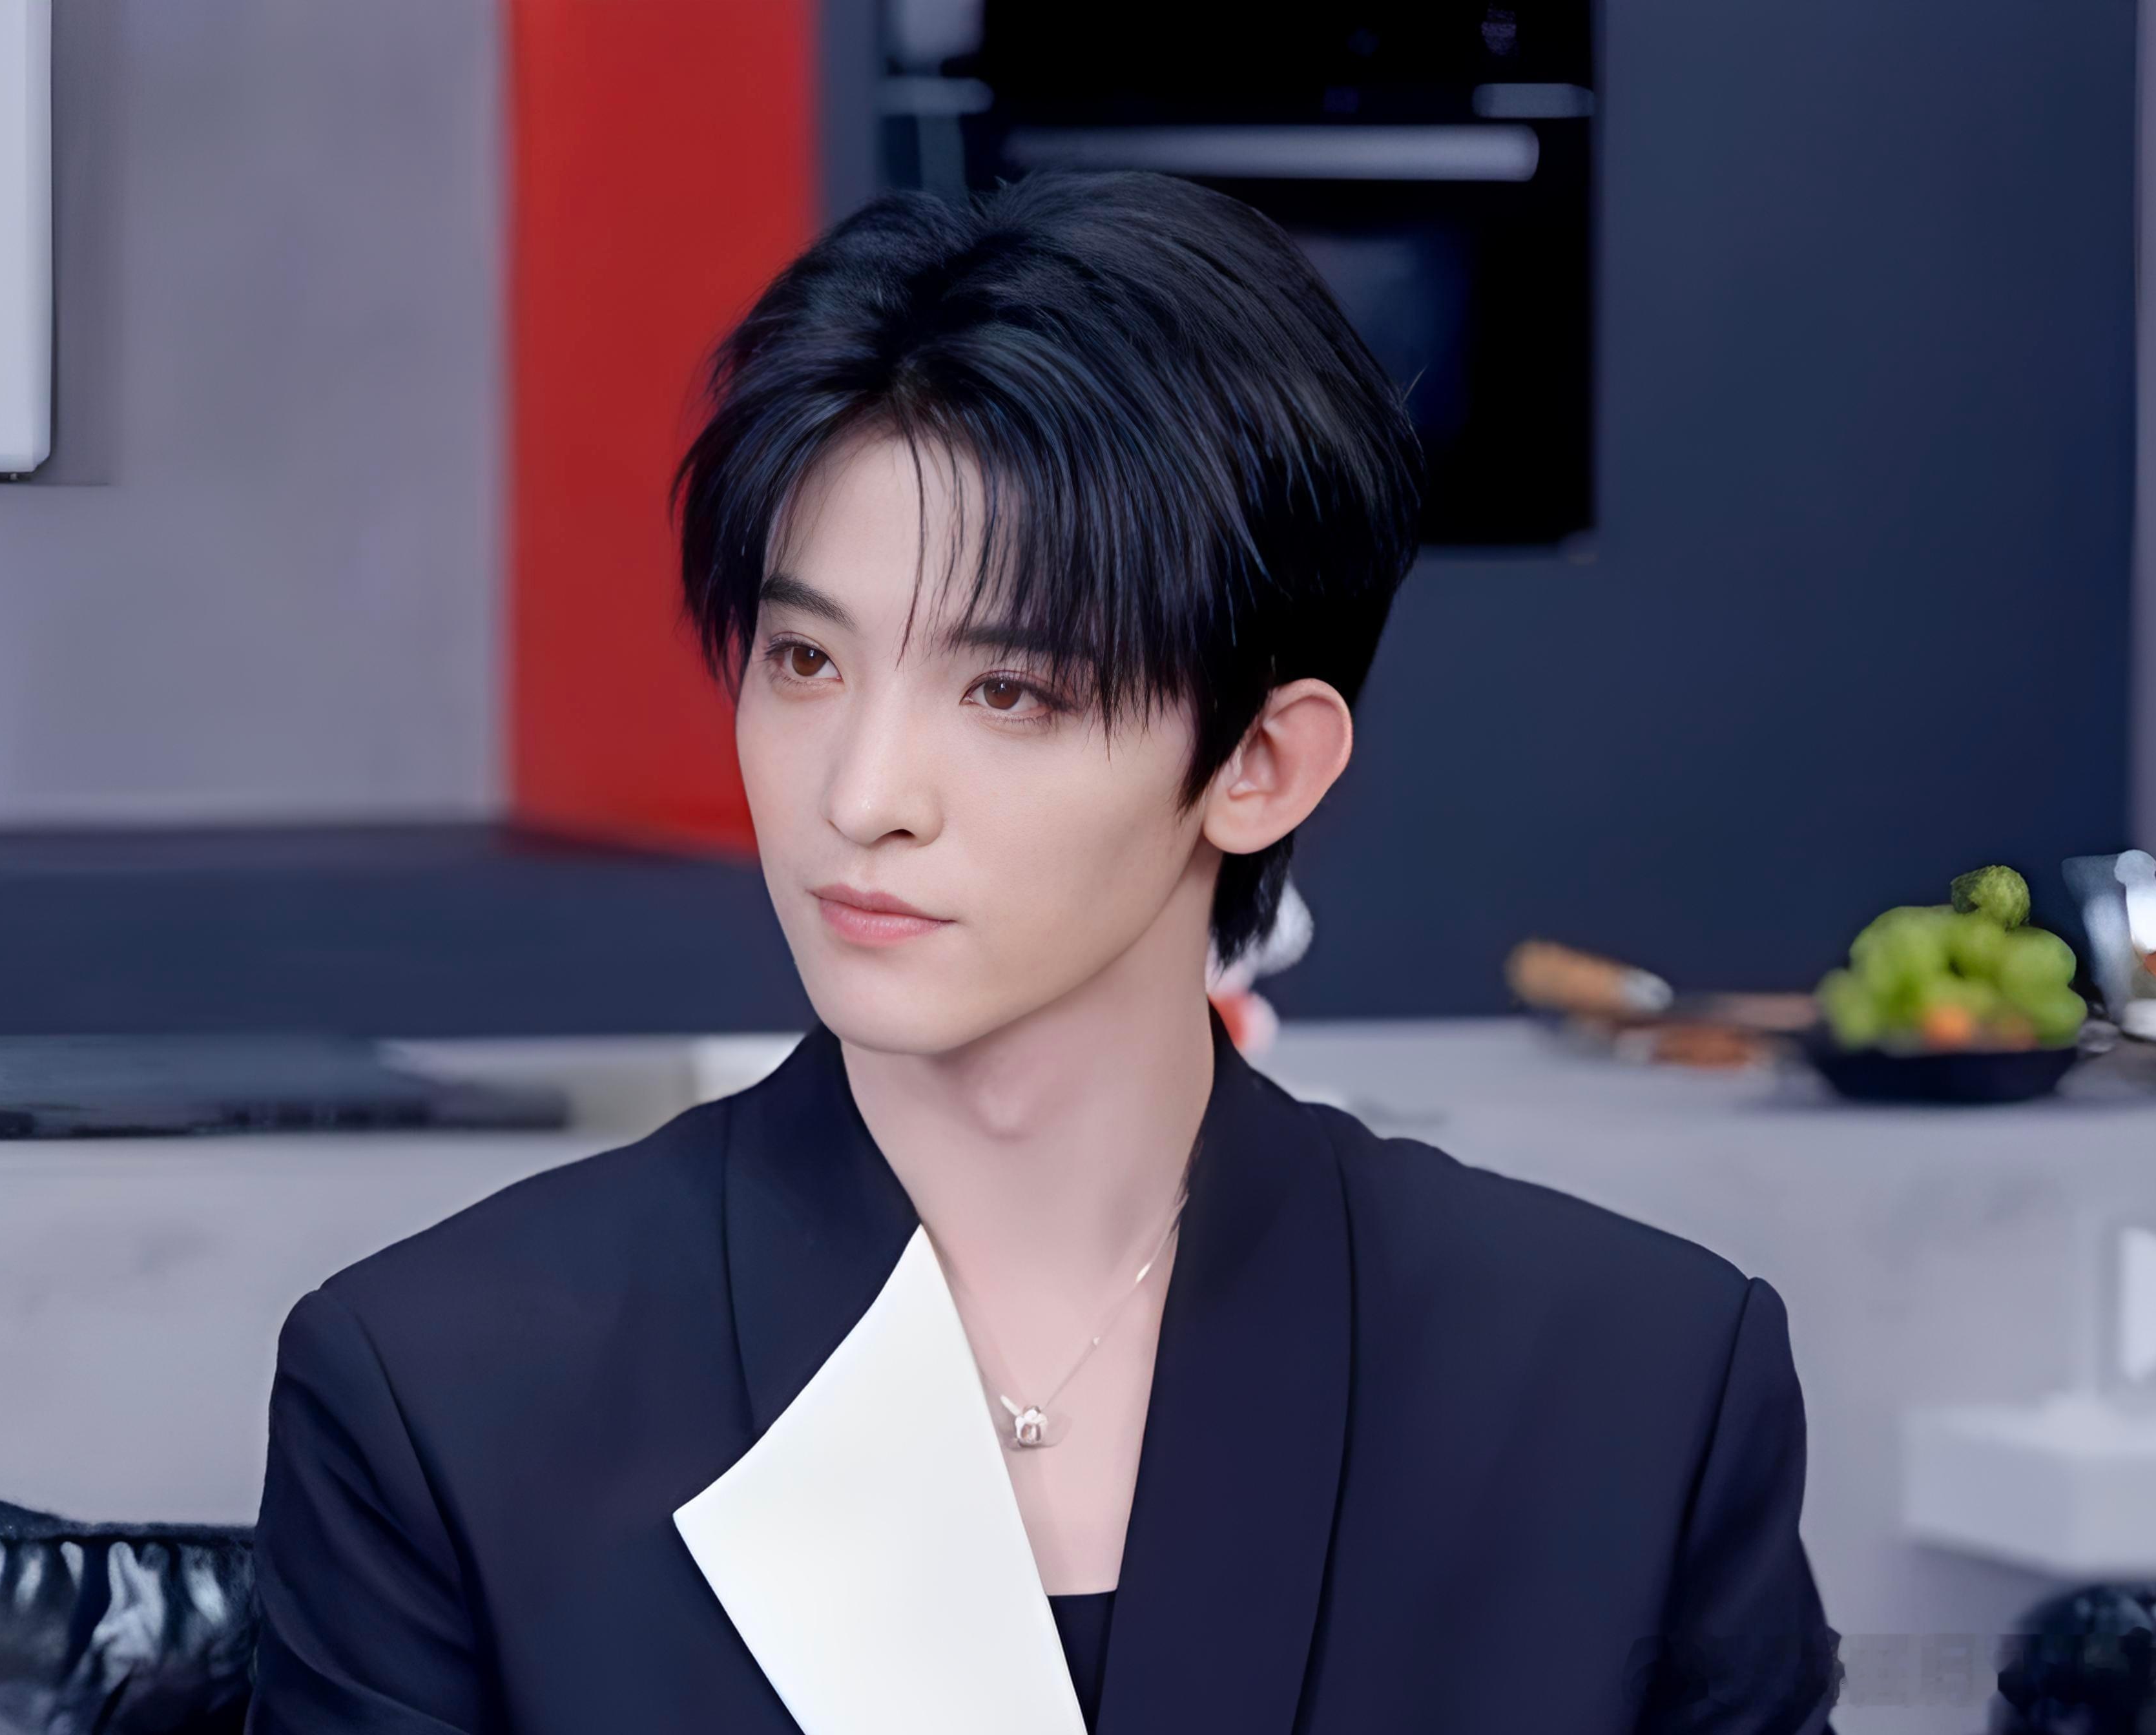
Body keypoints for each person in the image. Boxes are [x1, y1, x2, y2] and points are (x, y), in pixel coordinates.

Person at [249, 172, 1838, 1735]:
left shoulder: (1632, 1388)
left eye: (1006, 690)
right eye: (803, 658)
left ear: (1258, 764)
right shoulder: (442, 1394)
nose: (859, 795)